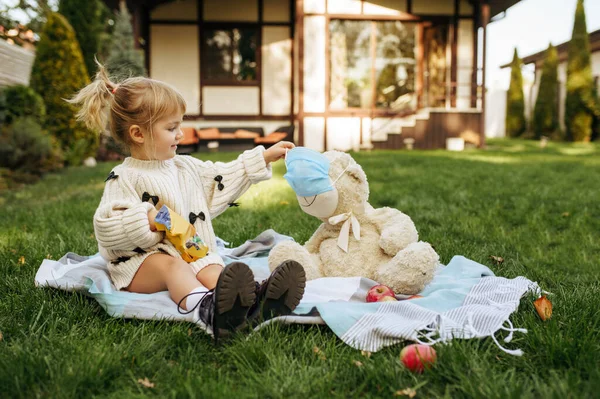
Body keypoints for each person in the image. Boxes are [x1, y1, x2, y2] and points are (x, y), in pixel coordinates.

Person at [68, 64, 306, 342]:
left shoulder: (184, 167)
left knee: (213, 267)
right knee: (173, 267)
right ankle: (209, 310)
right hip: (142, 264)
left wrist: (262, 158)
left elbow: (219, 177)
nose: (180, 134)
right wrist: (143, 219)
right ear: (138, 134)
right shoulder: (124, 177)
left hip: (190, 249)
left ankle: (255, 301)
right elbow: (106, 227)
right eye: (171, 127)